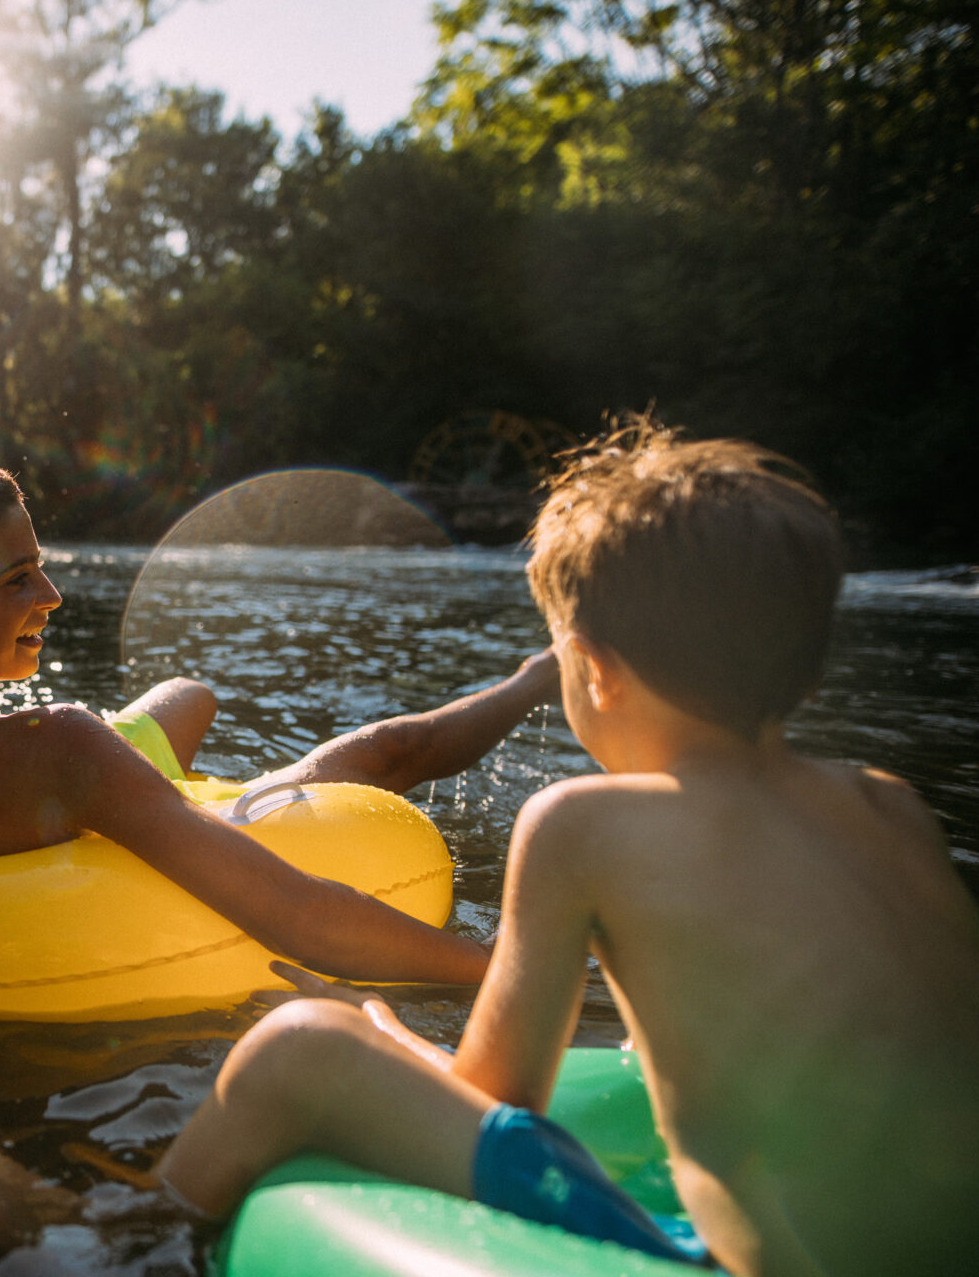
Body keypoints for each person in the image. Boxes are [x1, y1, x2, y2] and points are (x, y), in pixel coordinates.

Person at [155, 429, 979, 1274]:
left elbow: (493, 1099)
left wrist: (388, 1031)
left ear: (590, 670)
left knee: (302, 1048)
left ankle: (116, 1238)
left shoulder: (579, 825)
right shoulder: (895, 808)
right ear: (808, 673)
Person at [0, 453, 559, 989]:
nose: (51, 597)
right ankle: (535, 676)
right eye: (18, 579)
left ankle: (530, 676)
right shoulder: (60, 746)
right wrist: (521, 978)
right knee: (391, 749)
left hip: (94, 779)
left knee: (187, 696)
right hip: (93, 783)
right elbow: (296, 913)